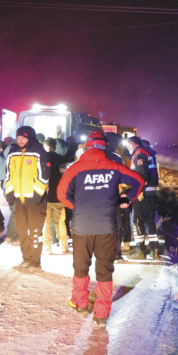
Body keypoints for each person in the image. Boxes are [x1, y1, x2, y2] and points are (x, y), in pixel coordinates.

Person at [57, 132, 143, 326]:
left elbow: (62, 194)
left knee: (80, 266)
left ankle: (80, 303)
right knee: (104, 269)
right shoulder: (114, 166)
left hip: (82, 227)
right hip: (107, 226)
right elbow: (138, 181)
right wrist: (126, 198)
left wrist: (75, 206)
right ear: (105, 147)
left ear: (87, 147)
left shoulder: (76, 168)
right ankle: (102, 314)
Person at [3, 125, 50, 272]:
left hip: (36, 201)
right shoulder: (13, 153)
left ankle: (35, 262)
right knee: (22, 231)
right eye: (18, 137)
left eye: (23, 137)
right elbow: (9, 175)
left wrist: (36, 196)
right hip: (19, 200)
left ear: (29, 137)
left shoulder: (39, 151)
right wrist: (10, 195)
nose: (20, 140)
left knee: (35, 232)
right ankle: (26, 258)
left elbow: (44, 176)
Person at [125, 136, 160, 259]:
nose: (127, 147)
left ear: (135, 144)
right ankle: (155, 250)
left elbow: (142, 174)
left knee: (136, 221)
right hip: (152, 193)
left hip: (143, 193)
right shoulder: (148, 153)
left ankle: (140, 250)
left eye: (129, 144)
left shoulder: (139, 154)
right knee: (150, 222)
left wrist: (138, 191)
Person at [42, 138, 70, 255]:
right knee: (61, 223)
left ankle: (47, 248)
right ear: (55, 146)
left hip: (45, 198)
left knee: (46, 224)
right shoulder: (62, 160)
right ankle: (64, 247)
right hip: (59, 196)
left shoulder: (42, 159)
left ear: (45, 146)